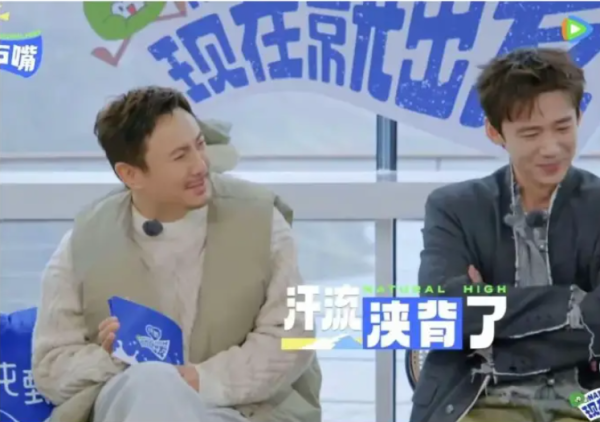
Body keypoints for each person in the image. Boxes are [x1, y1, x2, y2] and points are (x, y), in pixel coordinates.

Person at [31, 86, 322, 422]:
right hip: (130, 403)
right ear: (130, 174)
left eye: (200, 144)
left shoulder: (263, 220)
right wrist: (110, 359)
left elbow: (295, 337)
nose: (200, 165)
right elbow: (50, 366)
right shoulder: (82, 243)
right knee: (151, 383)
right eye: (180, 156)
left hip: (238, 412)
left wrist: (199, 380)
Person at [410, 48, 600, 422]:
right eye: (531, 133)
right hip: (481, 395)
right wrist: (576, 302)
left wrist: (489, 306)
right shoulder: (455, 208)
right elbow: (444, 314)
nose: (551, 147)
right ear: (495, 132)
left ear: (579, 118)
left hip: (588, 398)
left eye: (563, 127)